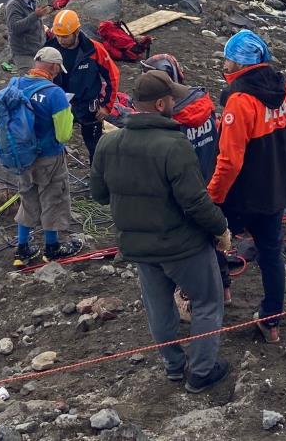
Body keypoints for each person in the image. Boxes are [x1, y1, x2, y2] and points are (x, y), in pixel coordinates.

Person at [90, 71, 233, 392]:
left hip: (139, 247)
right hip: (182, 246)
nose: (175, 102)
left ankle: (173, 365)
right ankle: (201, 371)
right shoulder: (174, 145)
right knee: (208, 302)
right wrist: (221, 229)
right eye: (172, 98)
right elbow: (196, 202)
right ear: (160, 103)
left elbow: (98, 194)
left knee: (159, 307)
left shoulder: (107, 142)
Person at [208, 30, 286, 343]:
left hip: (241, 196)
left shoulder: (239, 100)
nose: (225, 65)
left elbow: (230, 162)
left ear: (237, 64)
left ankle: (221, 294)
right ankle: (271, 321)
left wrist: (213, 198)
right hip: (276, 192)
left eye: (227, 60)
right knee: (271, 255)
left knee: (214, 241)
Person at [141, 53, 229, 303]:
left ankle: (193, 296)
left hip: (182, 192)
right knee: (215, 234)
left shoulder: (170, 119)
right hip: (211, 181)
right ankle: (224, 288)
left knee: (192, 247)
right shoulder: (202, 102)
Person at [13, 47, 82, 266]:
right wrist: (67, 114)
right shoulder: (55, 94)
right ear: (53, 67)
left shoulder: (15, 85)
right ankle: (52, 248)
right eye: (57, 68)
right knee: (53, 198)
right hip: (49, 157)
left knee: (27, 197)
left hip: (21, 156)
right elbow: (64, 134)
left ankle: (22, 249)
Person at [45, 9, 120, 161]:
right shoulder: (50, 49)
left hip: (88, 106)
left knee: (95, 148)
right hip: (61, 104)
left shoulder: (93, 49)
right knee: (53, 142)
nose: (60, 40)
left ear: (76, 31)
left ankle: (96, 180)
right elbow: (41, 75)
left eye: (65, 36)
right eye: (58, 35)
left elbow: (113, 76)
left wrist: (106, 106)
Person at [4, 0, 51, 71]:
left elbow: (34, 24)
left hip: (38, 52)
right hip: (24, 55)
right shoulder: (14, 5)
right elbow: (14, 27)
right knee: (30, 84)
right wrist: (36, 15)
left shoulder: (32, 2)